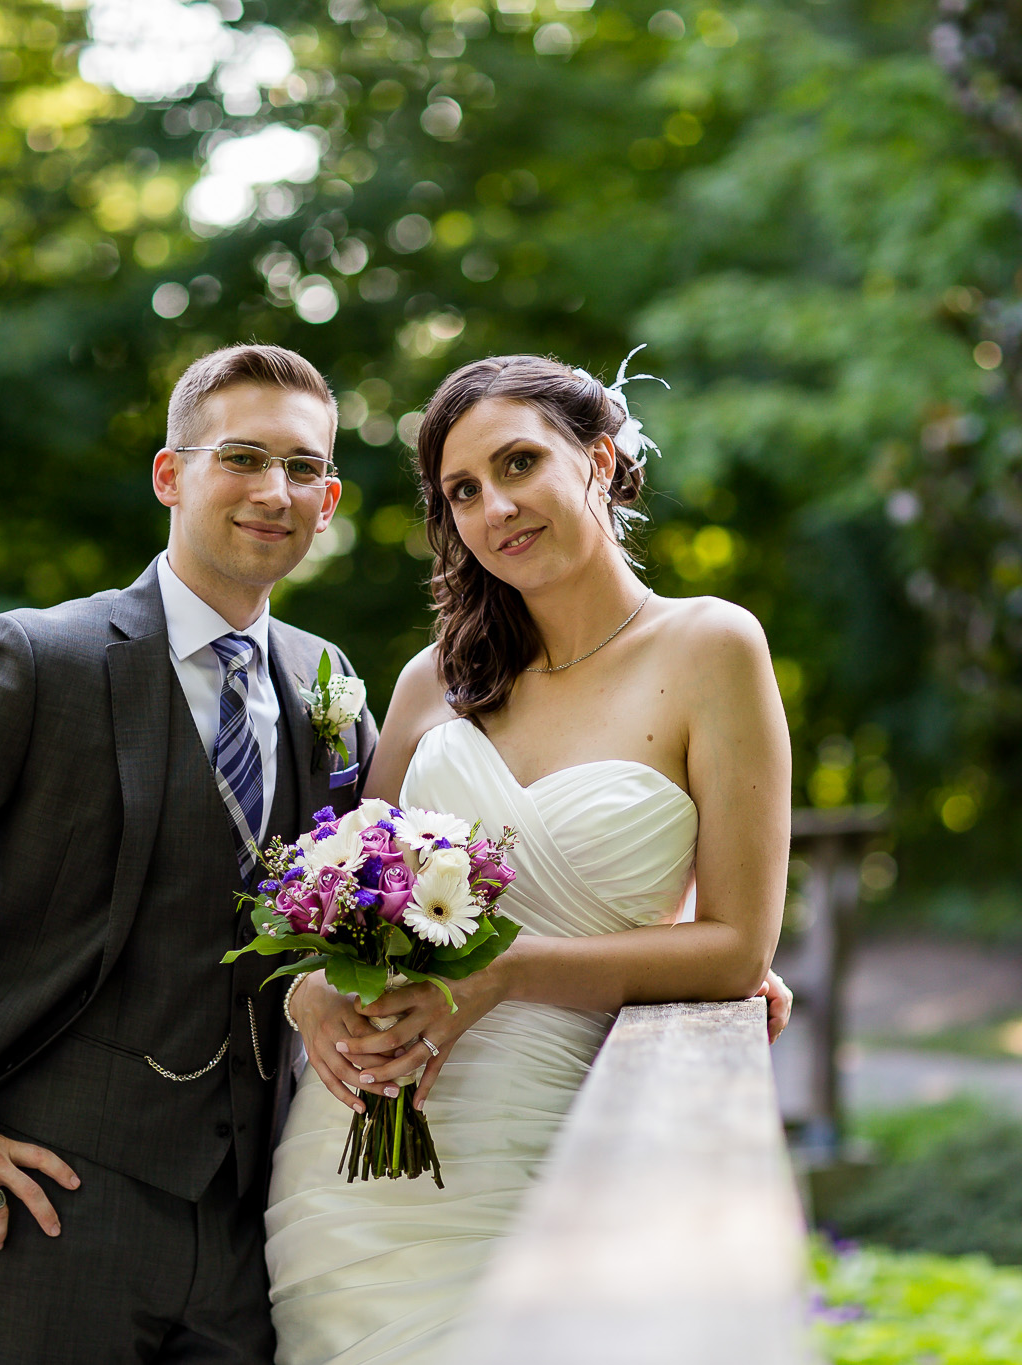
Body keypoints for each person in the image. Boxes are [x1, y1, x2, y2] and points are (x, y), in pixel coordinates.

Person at [0, 344, 380, 1364]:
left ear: (328, 499)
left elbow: (370, 890)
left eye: (302, 467)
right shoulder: (38, 661)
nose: (274, 491)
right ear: (169, 474)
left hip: (252, 1213)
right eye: (240, 456)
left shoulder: (324, 680)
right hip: (39, 1207)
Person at [265, 354, 795, 1364]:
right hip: (356, 1163)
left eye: (517, 464)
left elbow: (734, 947)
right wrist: (309, 1000)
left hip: (554, 1138)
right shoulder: (435, 681)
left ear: (597, 459)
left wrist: (501, 975)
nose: (493, 506)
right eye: (461, 491)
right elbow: (342, 903)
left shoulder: (711, 649)